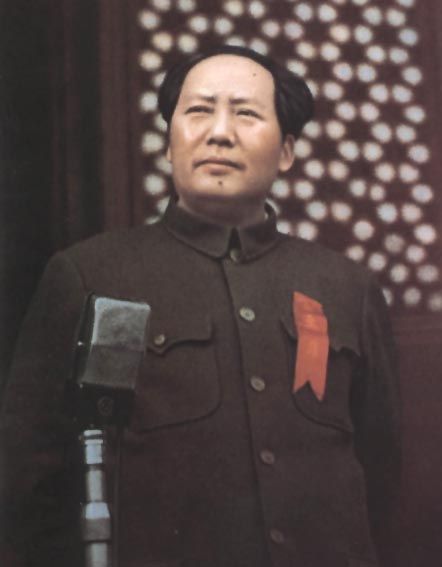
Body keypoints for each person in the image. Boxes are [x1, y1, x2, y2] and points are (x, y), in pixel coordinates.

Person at [1, 45, 401, 567]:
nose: (220, 133)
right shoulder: (89, 275)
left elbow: (382, 475)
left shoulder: (348, 287)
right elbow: (28, 483)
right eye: (198, 111)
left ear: (286, 151)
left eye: (246, 113)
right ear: (169, 142)